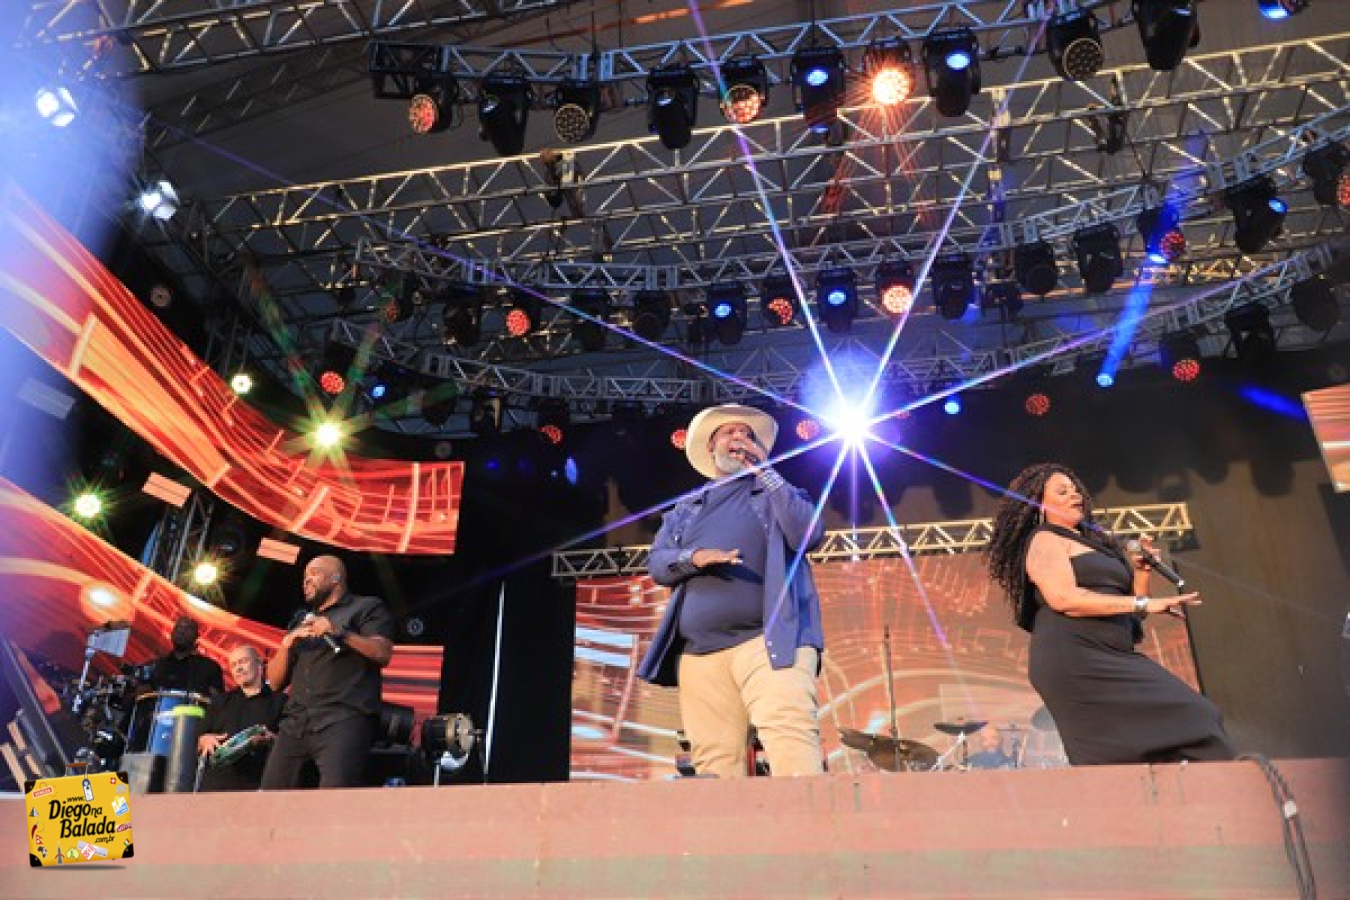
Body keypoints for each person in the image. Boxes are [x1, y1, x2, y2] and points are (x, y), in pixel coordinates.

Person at [985, 462, 1236, 765]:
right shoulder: (1045, 539)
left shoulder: (1096, 544)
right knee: (1193, 717)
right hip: (1074, 658)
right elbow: (1063, 598)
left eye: (1075, 489)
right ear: (1039, 504)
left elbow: (1131, 612)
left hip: (1112, 652)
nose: (1074, 495)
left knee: (1195, 719)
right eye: (1062, 492)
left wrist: (1141, 573)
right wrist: (1142, 604)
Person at [637, 403, 826, 778]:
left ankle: (807, 819)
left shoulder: (776, 494)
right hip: (700, 654)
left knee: (790, 740)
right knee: (714, 761)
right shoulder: (686, 509)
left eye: (747, 434)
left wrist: (765, 471)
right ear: (711, 447)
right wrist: (695, 558)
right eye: (729, 432)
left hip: (769, 641)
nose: (739, 438)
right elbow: (657, 563)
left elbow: (808, 534)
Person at [260, 555, 396, 789]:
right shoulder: (301, 622)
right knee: (272, 794)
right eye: (304, 576)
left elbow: (382, 653)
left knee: (334, 795)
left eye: (314, 573)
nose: (306, 580)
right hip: (295, 722)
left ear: (335, 578)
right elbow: (274, 682)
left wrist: (339, 633)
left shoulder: (366, 607)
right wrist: (286, 644)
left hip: (342, 718)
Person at [196, 645, 286, 791]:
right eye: (234, 665)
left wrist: (270, 739)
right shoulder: (220, 701)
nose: (238, 668)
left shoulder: (281, 702)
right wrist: (205, 740)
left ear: (259, 664)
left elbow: (291, 743)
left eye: (243, 661)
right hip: (217, 787)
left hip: (260, 784)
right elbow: (199, 737)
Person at [144, 614, 224, 698]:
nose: (181, 631)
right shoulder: (158, 665)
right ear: (172, 634)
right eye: (178, 628)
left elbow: (217, 701)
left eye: (188, 628)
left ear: (196, 637)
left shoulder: (210, 667)